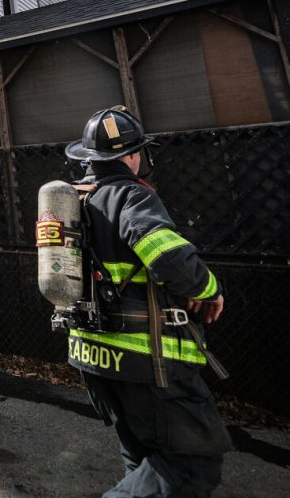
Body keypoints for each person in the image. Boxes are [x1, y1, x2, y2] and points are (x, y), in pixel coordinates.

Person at [64, 107, 231, 498]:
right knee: (189, 466)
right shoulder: (130, 194)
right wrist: (209, 290)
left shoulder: (77, 200)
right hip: (148, 363)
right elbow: (165, 255)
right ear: (133, 155)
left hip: (96, 357)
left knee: (142, 460)